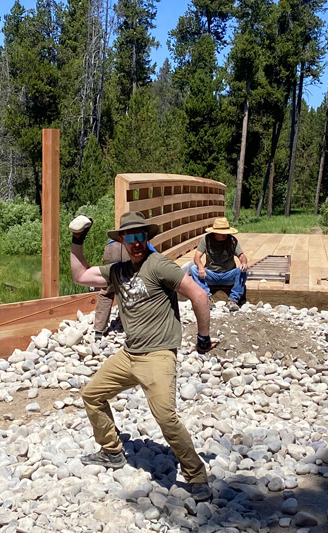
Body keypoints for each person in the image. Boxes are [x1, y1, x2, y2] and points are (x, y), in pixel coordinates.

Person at [69, 211, 215, 502]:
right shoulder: (118, 270)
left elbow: (198, 295)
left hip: (158, 354)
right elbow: (80, 275)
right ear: (122, 239)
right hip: (128, 354)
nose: (136, 242)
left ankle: (196, 475)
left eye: (141, 236)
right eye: (130, 237)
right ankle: (111, 451)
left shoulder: (159, 265)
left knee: (165, 417)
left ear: (147, 238)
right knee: (92, 395)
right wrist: (77, 240)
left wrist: (202, 339)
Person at [93, 238, 157, 342]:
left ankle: (99, 330)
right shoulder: (140, 237)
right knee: (134, 288)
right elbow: (153, 254)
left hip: (112, 248)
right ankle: (136, 326)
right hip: (129, 250)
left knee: (107, 292)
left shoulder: (122, 234)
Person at [190, 217, 248, 312]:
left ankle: (233, 300)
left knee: (243, 271)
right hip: (211, 274)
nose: (225, 235)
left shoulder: (232, 240)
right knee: (193, 268)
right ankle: (206, 298)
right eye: (222, 233)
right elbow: (197, 257)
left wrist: (244, 263)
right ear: (215, 232)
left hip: (228, 274)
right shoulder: (206, 239)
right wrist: (200, 267)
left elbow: (242, 256)